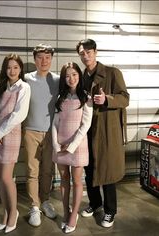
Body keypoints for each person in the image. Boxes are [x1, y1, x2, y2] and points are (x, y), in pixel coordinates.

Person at [76, 39, 129, 228]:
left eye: (88, 52)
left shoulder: (112, 73)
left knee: (107, 171)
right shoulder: (82, 77)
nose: (85, 56)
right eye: (82, 53)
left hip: (107, 130)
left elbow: (125, 98)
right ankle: (95, 203)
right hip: (88, 130)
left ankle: (110, 211)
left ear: (95, 52)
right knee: (89, 170)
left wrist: (107, 98)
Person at [52, 62, 93, 233]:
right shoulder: (60, 97)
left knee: (77, 180)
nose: (71, 78)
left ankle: (74, 214)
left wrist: (71, 146)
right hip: (60, 144)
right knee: (63, 179)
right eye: (67, 75)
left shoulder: (86, 98)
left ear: (79, 76)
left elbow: (85, 125)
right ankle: (66, 211)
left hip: (77, 145)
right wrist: (55, 144)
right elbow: (54, 123)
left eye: (74, 74)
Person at [0, 53, 31, 233]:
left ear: (20, 69)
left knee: (7, 177)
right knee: (0, 178)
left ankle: (13, 213)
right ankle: (6, 213)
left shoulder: (24, 87)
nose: (12, 70)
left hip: (11, 134)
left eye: (16, 67)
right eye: (9, 67)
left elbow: (19, 114)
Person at [23, 43, 59, 226]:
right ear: (34, 59)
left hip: (51, 133)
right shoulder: (26, 79)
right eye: (40, 57)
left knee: (47, 171)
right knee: (32, 171)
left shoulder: (59, 80)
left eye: (47, 57)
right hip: (30, 132)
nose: (44, 61)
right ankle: (34, 207)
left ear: (51, 59)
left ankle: (45, 201)